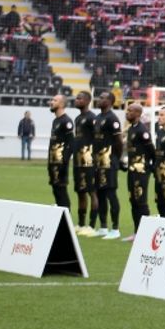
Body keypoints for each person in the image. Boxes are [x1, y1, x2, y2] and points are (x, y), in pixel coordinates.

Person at [92, 92, 124, 239]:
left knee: (111, 194)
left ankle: (115, 229)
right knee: (100, 194)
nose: (99, 99)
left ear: (110, 101)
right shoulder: (98, 118)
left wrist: (115, 158)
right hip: (98, 163)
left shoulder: (112, 119)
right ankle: (103, 227)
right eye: (99, 97)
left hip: (109, 162)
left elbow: (119, 142)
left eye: (102, 98)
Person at [123, 101, 154, 238]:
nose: (127, 113)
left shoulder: (142, 130)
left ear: (137, 113)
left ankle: (145, 234)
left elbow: (151, 151)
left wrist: (149, 167)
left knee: (140, 201)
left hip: (141, 172)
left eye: (130, 110)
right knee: (133, 201)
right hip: (132, 170)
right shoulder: (131, 129)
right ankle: (137, 232)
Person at [71, 91, 99, 235]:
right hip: (78, 160)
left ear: (87, 101)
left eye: (80, 98)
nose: (76, 100)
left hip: (89, 161)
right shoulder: (77, 118)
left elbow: (97, 139)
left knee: (92, 192)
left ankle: (92, 226)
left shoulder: (92, 118)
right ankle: (81, 224)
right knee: (80, 192)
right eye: (76, 98)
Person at [47, 94, 74, 210]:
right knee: (56, 190)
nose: (51, 102)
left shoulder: (66, 121)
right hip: (53, 162)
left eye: (55, 100)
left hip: (60, 163)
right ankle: (60, 215)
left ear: (62, 104)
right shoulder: (55, 121)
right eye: (52, 100)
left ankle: (66, 216)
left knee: (61, 191)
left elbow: (71, 144)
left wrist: (64, 162)